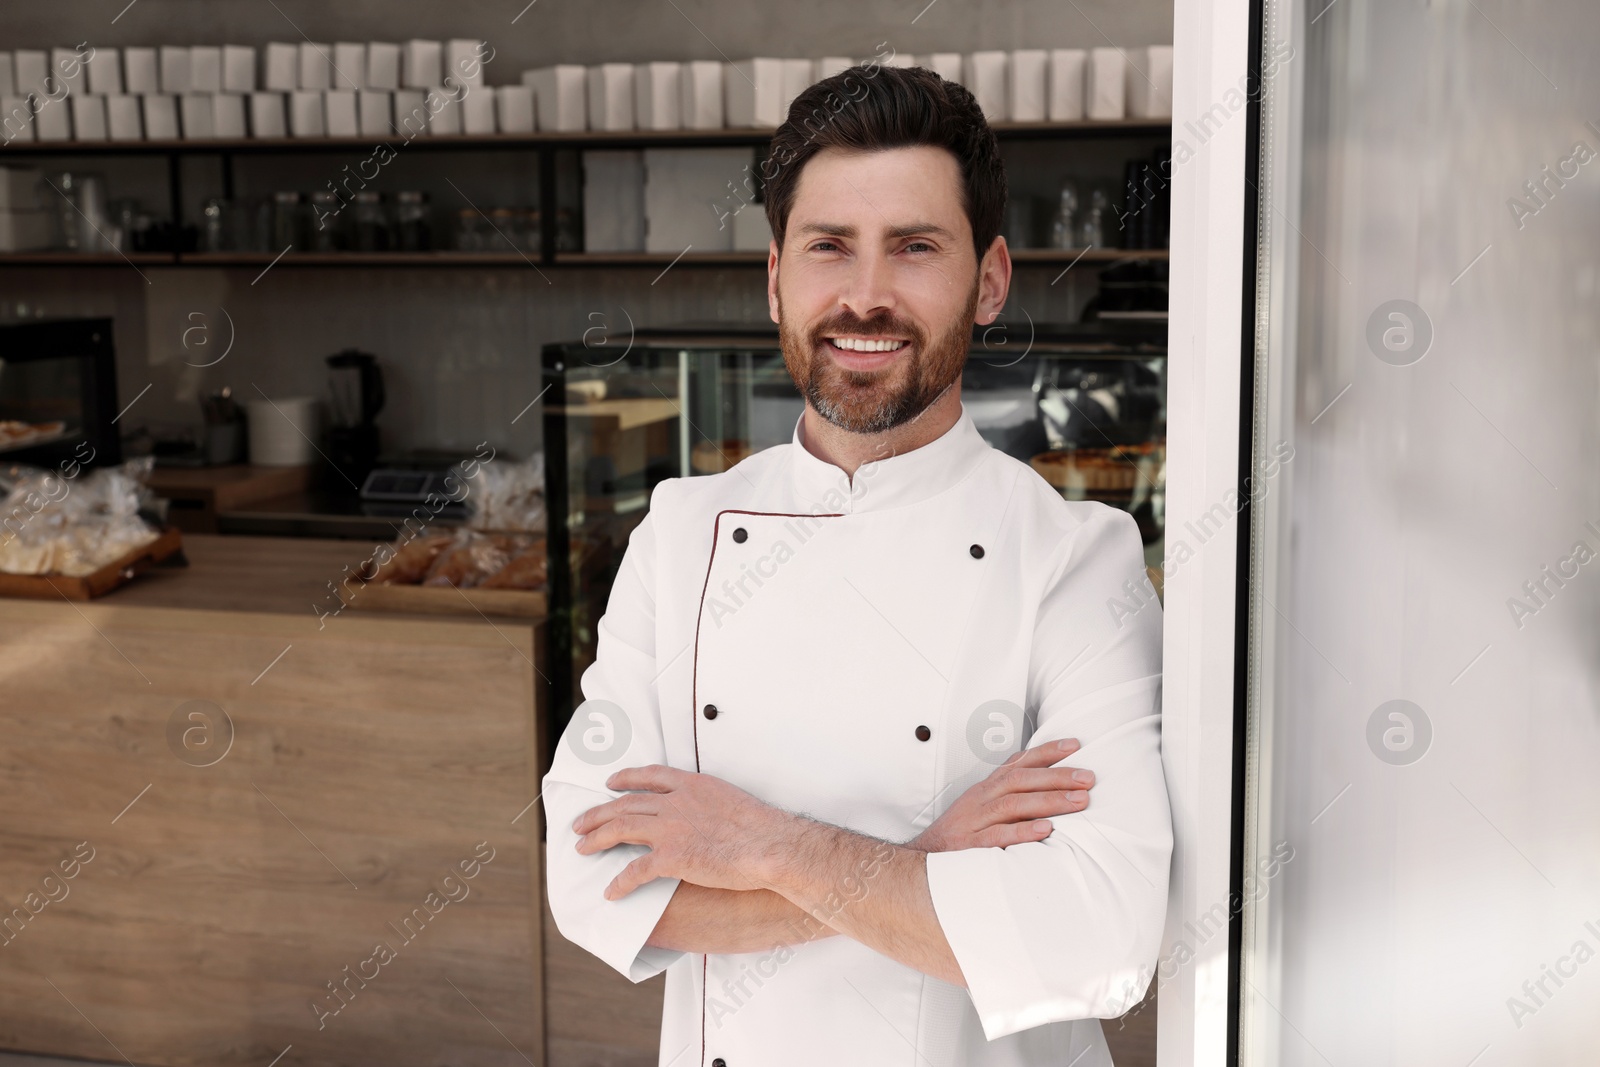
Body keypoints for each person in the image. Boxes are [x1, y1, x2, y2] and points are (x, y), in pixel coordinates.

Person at [541, 63, 1171, 1067]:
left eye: (915, 247)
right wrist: (926, 861)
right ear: (776, 278)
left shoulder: (1072, 561)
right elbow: (592, 884)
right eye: (829, 246)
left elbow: (1098, 937)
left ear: (991, 279)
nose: (866, 296)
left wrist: (760, 848)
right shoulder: (681, 532)